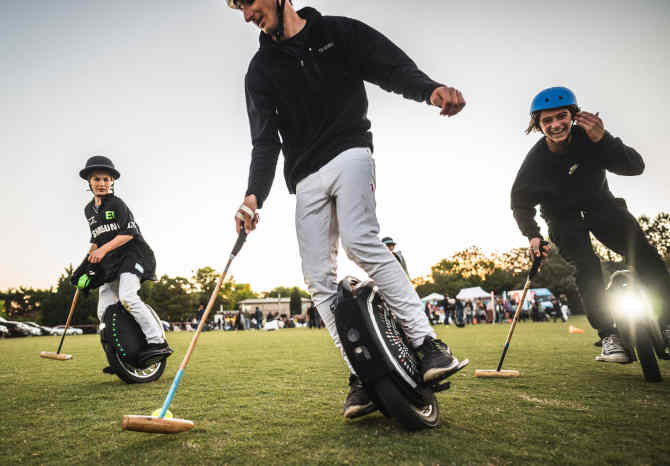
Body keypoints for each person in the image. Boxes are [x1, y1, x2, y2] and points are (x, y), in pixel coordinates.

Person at [228, 0, 468, 420]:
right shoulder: (259, 70)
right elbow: (265, 141)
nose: (247, 14)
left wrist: (430, 90)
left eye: (248, 2)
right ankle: (362, 373)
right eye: (238, 8)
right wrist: (253, 196)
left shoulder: (338, 32)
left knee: (360, 240)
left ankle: (429, 345)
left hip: (350, 152)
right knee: (317, 277)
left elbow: (390, 68)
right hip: (304, 178)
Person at [511, 86, 670, 363]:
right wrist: (532, 236)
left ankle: (667, 323)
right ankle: (609, 335)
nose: (555, 124)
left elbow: (635, 166)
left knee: (645, 256)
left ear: (573, 116)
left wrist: (604, 139)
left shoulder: (593, 139)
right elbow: (520, 203)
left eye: (561, 116)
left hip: (604, 209)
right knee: (587, 268)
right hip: (563, 221)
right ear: (538, 125)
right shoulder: (535, 162)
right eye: (547, 120)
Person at [76, 156, 172, 371]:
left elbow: (128, 233)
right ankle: (118, 356)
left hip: (134, 256)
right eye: (96, 179)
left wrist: (102, 250)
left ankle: (157, 341)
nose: (101, 183)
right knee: (104, 310)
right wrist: (85, 266)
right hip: (111, 263)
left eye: (105, 179)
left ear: (112, 182)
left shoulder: (117, 204)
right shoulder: (88, 210)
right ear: (89, 182)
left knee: (128, 296)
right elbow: (96, 239)